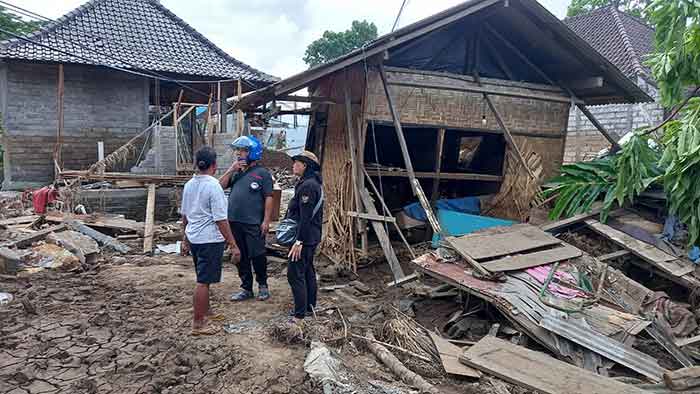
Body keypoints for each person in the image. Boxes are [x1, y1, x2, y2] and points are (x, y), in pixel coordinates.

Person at [180, 146, 238, 335]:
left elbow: (185, 216)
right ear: (214, 165)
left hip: (195, 237)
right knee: (203, 282)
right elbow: (221, 220)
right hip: (209, 240)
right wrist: (233, 244)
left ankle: (206, 310)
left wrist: (185, 238)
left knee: (203, 277)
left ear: (197, 164)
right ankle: (198, 324)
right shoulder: (213, 186)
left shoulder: (190, 184)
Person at [219, 135, 274, 302]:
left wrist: (266, 221)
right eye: (237, 150)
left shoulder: (262, 174)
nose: (239, 154)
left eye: (243, 150)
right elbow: (219, 187)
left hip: (253, 223)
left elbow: (269, 197)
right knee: (239, 255)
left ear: (253, 152)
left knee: (257, 254)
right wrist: (231, 169)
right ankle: (246, 287)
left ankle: (263, 285)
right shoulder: (236, 173)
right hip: (234, 222)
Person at [285, 151, 323, 321]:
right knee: (307, 271)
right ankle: (309, 308)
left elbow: (305, 217)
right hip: (311, 236)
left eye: (296, 162)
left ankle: (299, 315)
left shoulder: (308, 186)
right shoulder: (310, 183)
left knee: (295, 274)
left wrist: (299, 241)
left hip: (305, 238)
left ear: (305, 165)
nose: (293, 165)